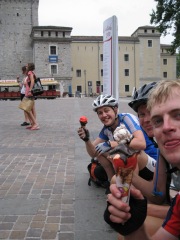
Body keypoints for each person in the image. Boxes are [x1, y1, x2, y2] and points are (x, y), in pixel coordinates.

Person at [105, 80, 180, 240]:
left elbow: (157, 197)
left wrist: (141, 208)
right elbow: (157, 194)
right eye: (158, 120)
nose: (166, 126)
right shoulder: (163, 149)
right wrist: (132, 223)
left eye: (177, 115)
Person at [77, 94, 157, 183]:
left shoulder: (126, 118)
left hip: (151, 164)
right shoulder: (106, 129)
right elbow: (93, 153)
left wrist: (113, 144)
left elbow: (141, 144)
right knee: (100, 151)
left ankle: (129, 187)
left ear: (115, 110)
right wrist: (87, 140)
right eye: (100, 113)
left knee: (124, 151)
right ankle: (111, 183)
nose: (104, 115)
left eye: (106, 110)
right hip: (133, 165)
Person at [25, 63, 39, 130]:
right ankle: (33, 124)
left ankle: (35, 124)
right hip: (32, 93)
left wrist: (30, 90)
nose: (26, 66)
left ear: (29, 66)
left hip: (29, 93)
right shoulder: (33, 72)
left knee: (27, 108)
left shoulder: (30, 72)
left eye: (27, 65)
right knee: (32, 109)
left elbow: (32, 81)